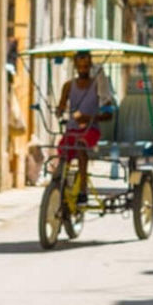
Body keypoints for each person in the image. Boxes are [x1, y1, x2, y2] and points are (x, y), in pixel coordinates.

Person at [56, 50, 113, 204]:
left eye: (86, 66)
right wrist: (59, 111)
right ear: (75, 66)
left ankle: (82, 190)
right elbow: (61, 106)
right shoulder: (68, 86)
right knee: (62, 150)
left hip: (91, 130)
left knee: (81, 146)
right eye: (80, 66)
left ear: (90, 66)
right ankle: (59, 184)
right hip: (72, 129)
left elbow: (109, 114)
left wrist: (88, 118)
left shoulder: (97, 86)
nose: (83, 69)